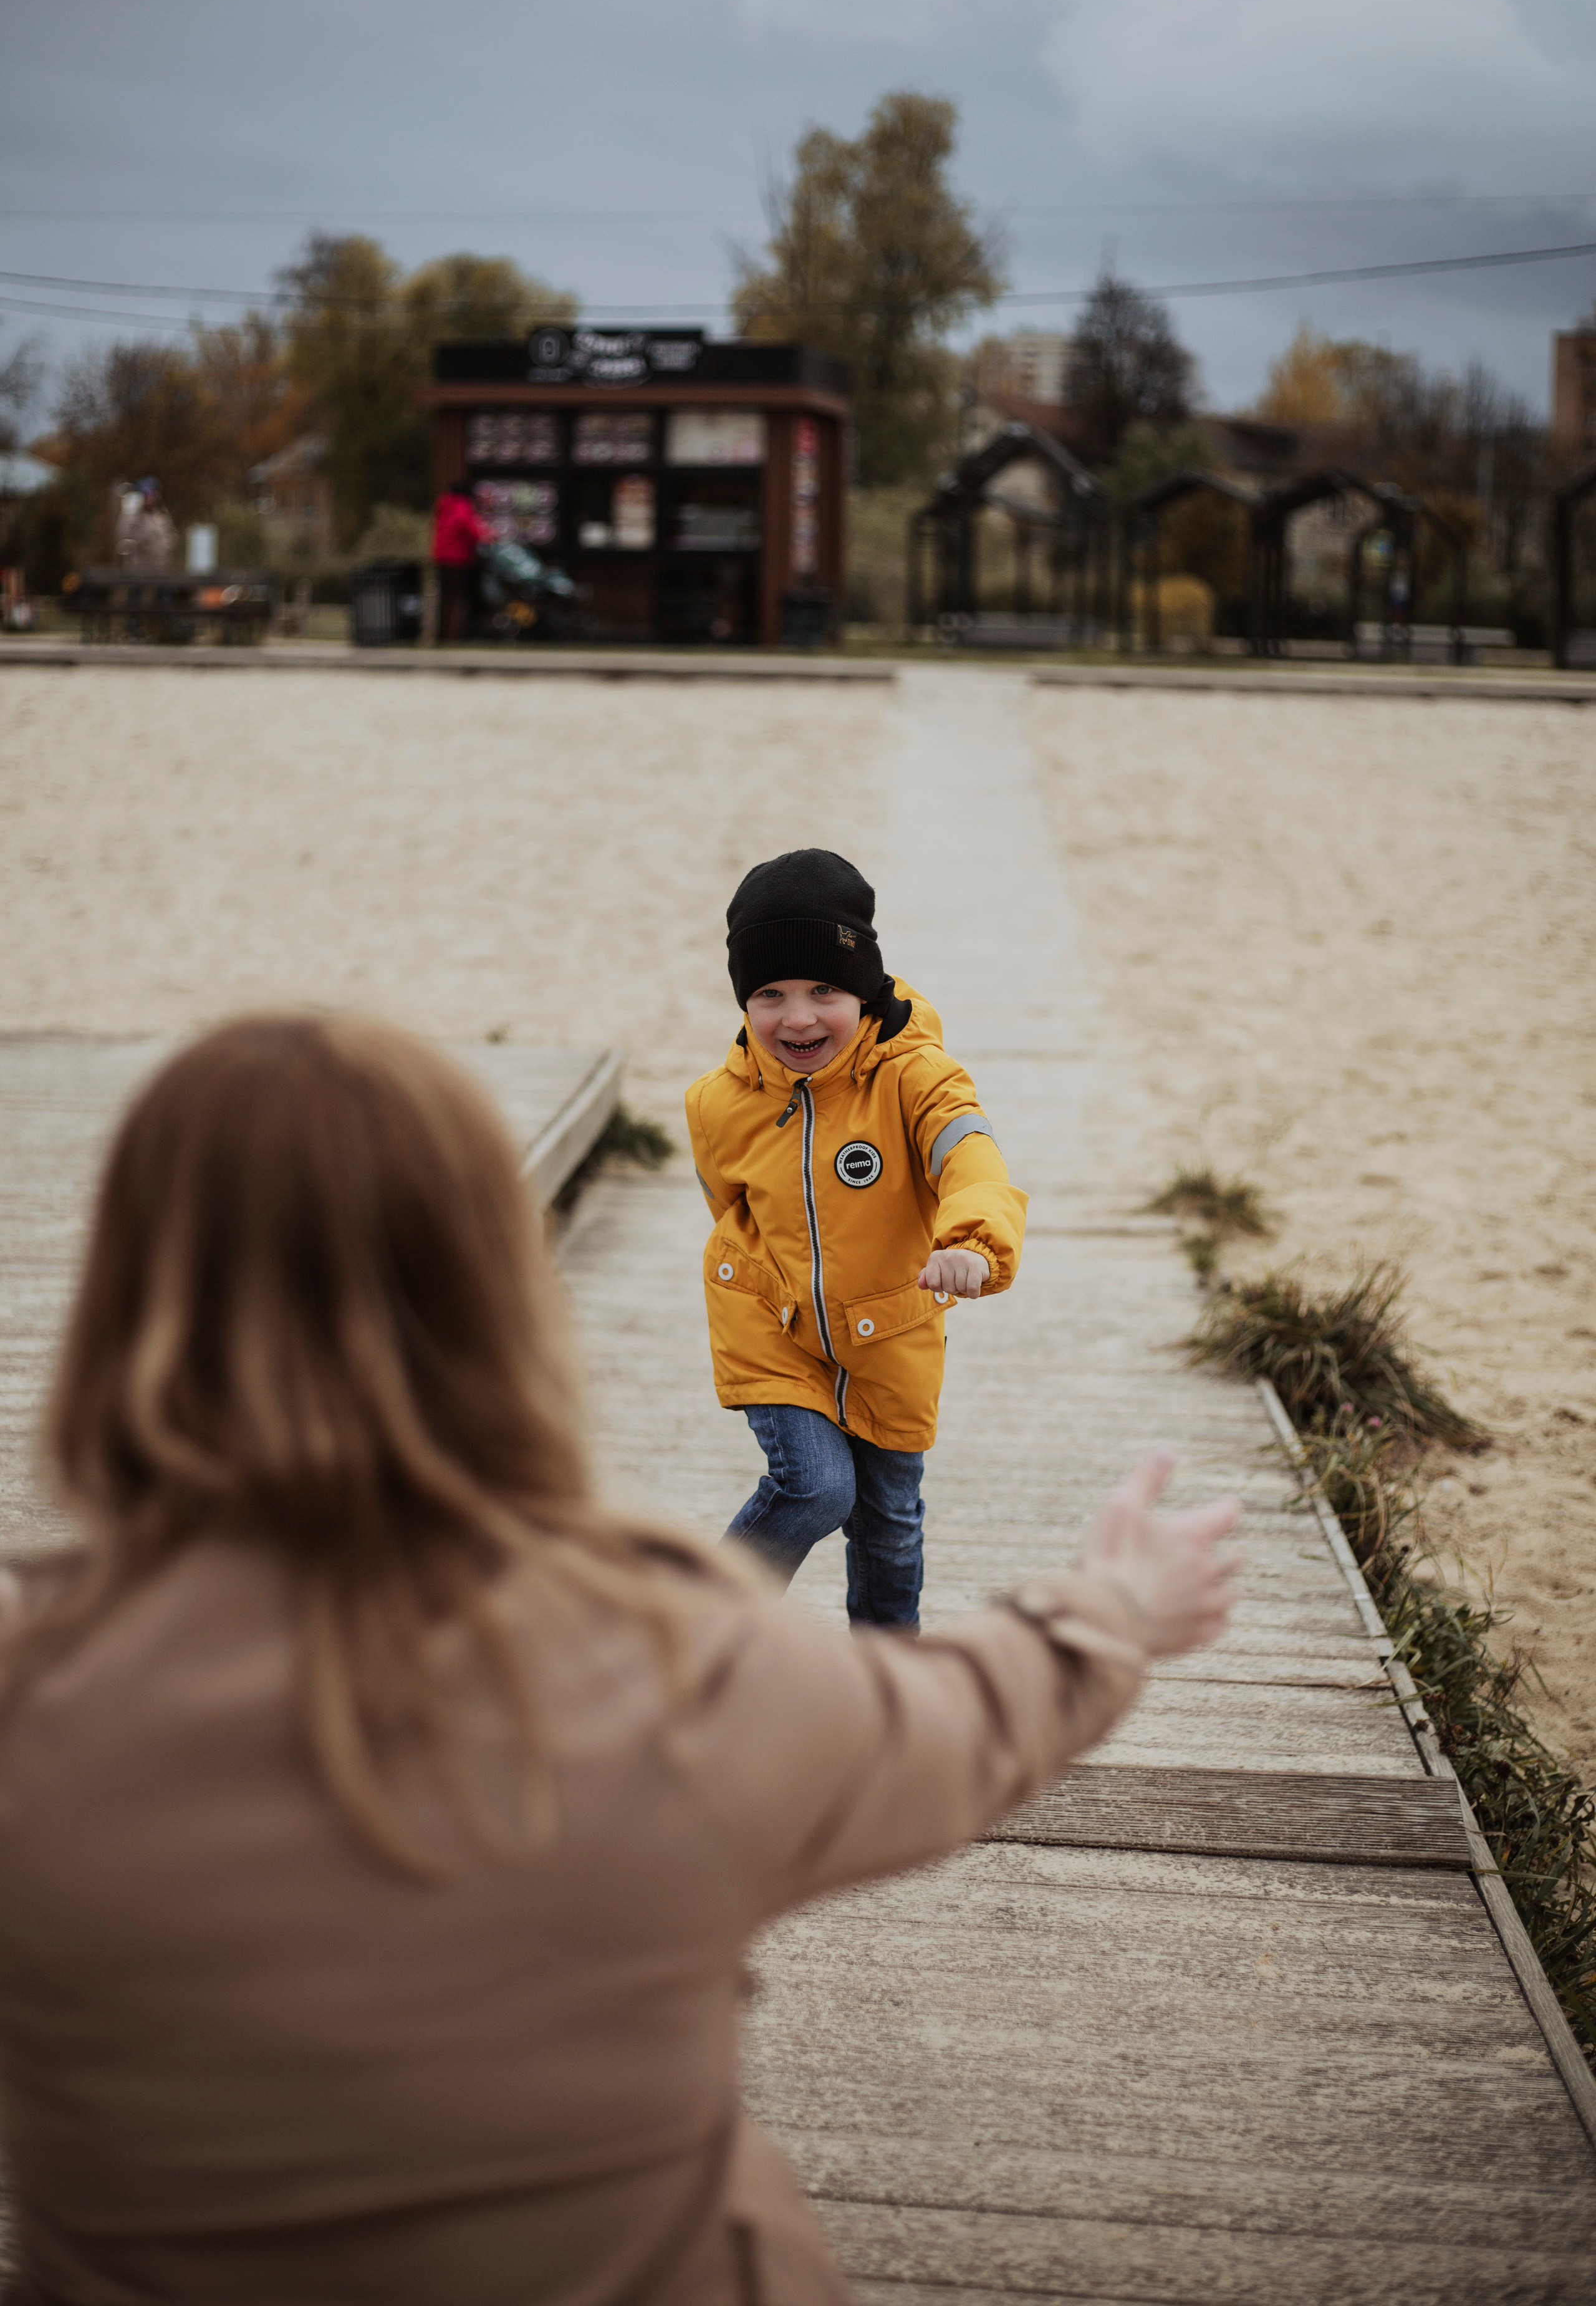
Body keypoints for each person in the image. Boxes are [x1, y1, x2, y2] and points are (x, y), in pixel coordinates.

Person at [0, 1013, 1240, 2306]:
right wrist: (1105, 1614)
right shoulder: (667, 1656)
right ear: (498, 1294)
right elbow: (962, 1727)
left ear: (123, 1298)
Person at [687, 849, 1026, 1628]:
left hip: (889, 1332)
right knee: (816, 1487)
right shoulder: (717, 1103)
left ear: (865, 989)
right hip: (777, 1331)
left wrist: (973, 1242)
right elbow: (728, 1206)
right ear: (743, 1001)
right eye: (768, 994)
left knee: (888, 1522)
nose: (797, 1018)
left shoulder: (917, 1079)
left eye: (824, 991)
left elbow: (972, 1157)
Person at [431, 474, 488, 641]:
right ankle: (455, 634)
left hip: (442, 558)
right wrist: (489, 535)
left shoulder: (444, 505)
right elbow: (473, 530)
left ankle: (442, 633)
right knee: (458, 599)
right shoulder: (462, 506)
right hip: (458, 559)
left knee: (445, 598)